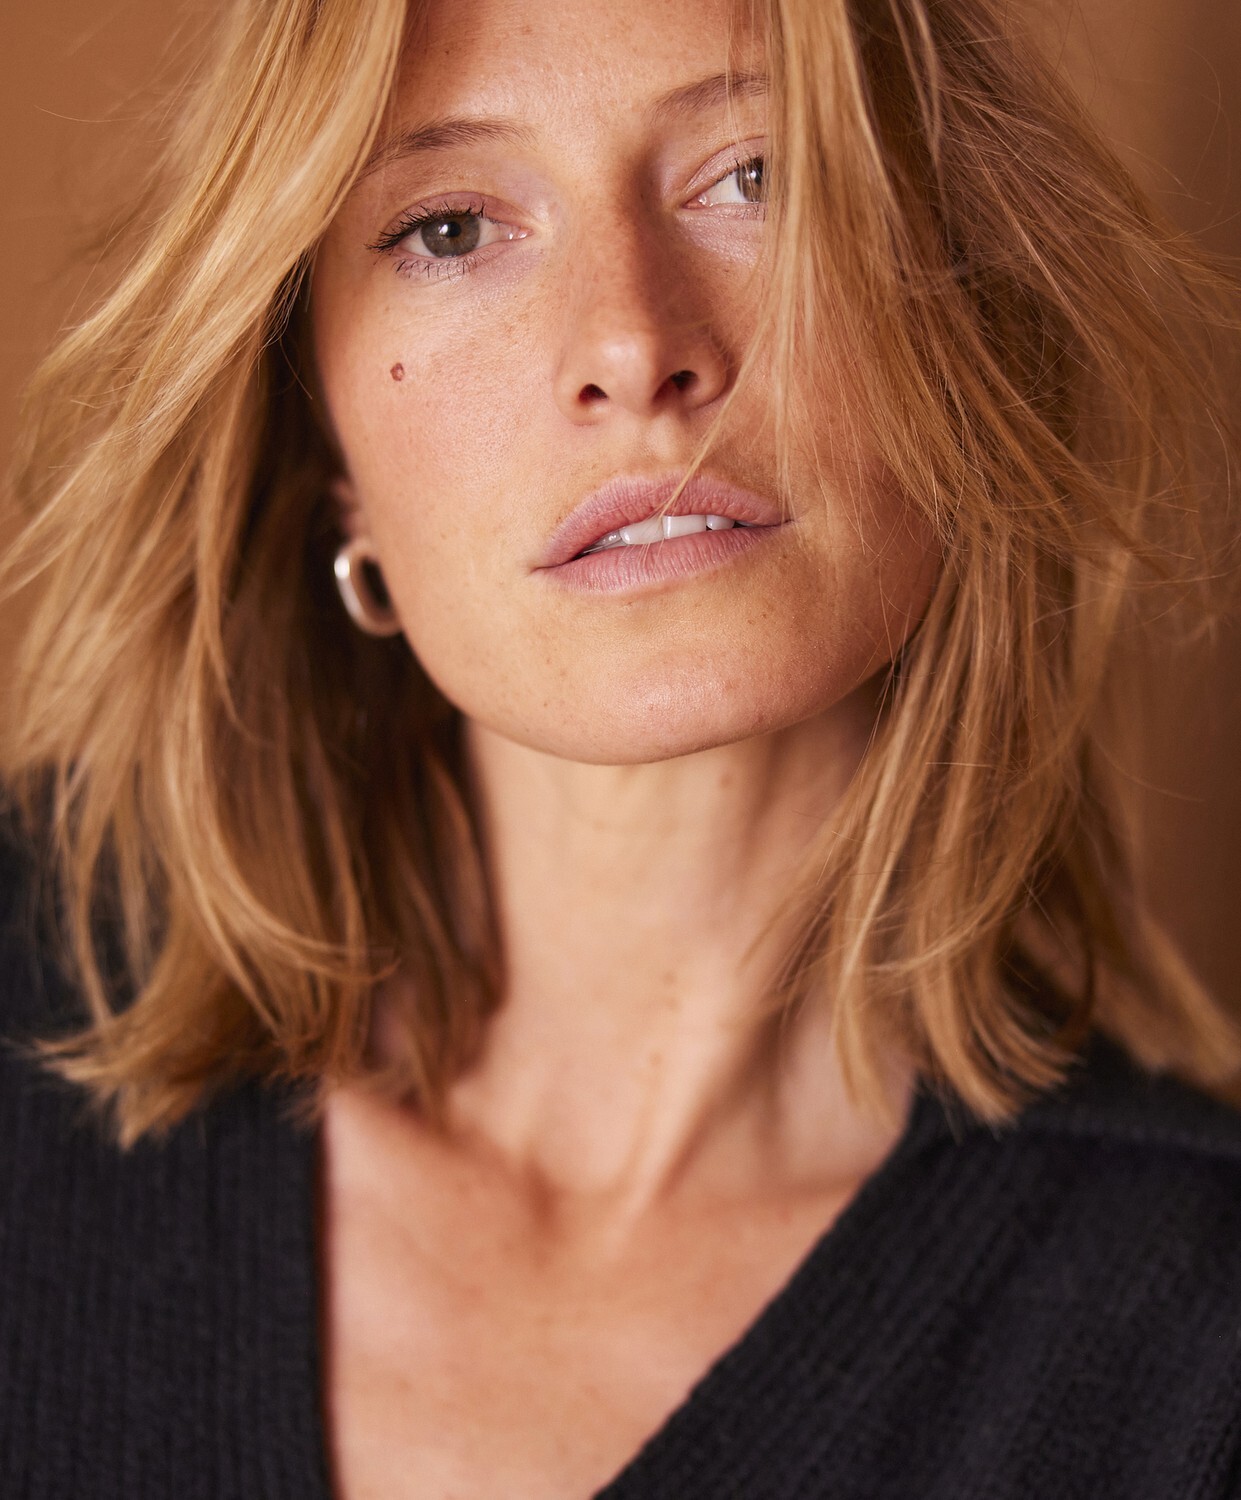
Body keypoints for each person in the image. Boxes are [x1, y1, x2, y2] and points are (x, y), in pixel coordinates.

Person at [2, 0, 1240, 1494]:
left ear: (971, 313)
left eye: (758, 177)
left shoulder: (1197, 1355)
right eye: (451, 229)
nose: (633, 347)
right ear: (327, 450)